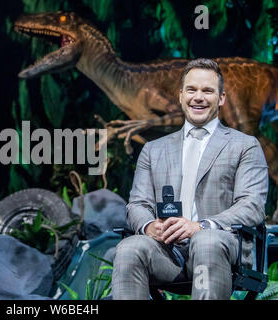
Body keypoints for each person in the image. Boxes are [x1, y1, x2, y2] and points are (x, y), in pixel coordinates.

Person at [112, 58, 269, 300]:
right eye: (192, 90)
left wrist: (201, 226)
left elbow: (252, 206)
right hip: (167, 251)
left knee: (205, 241)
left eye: (208, 91)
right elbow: (137, 204)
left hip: (221, 246)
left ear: (221, 98)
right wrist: (149, 226)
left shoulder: (245, 145)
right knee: (129, 248)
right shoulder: (153, 150)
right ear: (181, 95)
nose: (199, 97)